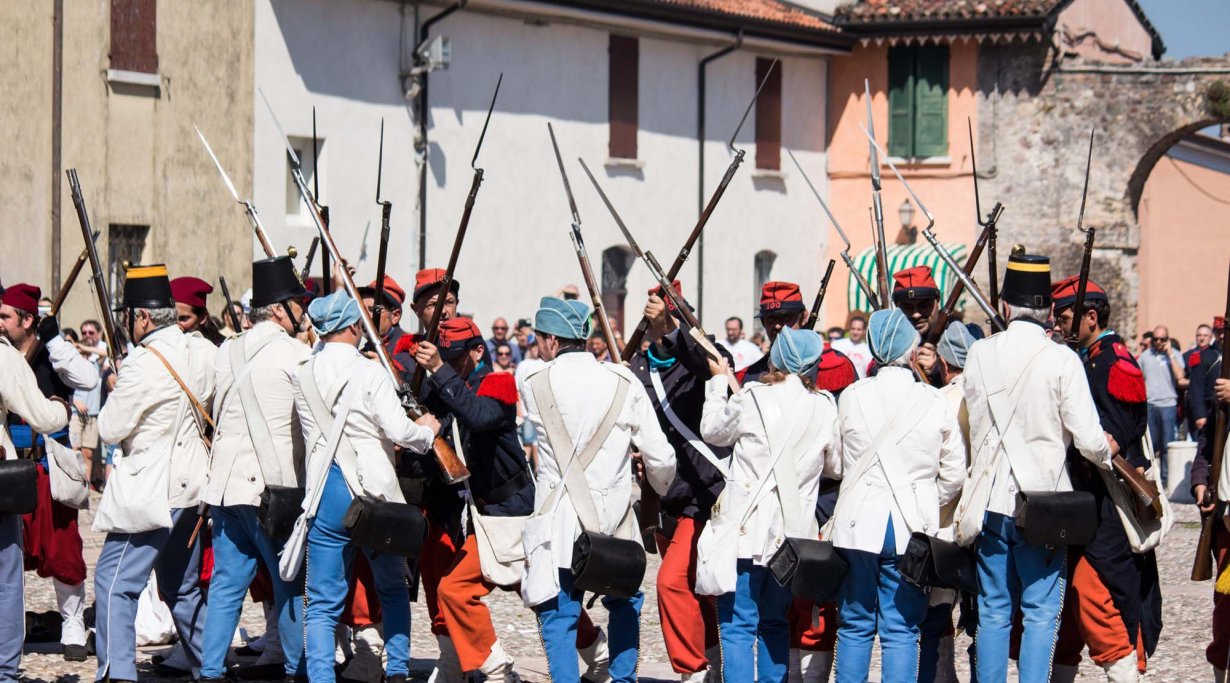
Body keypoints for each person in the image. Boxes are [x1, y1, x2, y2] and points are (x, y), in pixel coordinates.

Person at [956, 253, 1113, 683]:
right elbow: (1088, 438)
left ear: (1006, 306)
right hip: (1044, 502)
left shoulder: (980, 354)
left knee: (993, 611)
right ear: (1047, 309)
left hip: (990, 500)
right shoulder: (1062, 359)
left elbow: (968, 422)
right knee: (1042, 612)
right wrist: (1108, 455)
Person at [519, 295, 676, 683]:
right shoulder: (624, 381)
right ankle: (623, 679)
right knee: (624, 604)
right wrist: (659, 489)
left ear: (552, 341)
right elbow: (661, 457)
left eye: (541, 339)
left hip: (560, 519)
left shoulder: (532, 383)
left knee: (559, 614)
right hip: (616, 515)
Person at [293, 290, 441, 683]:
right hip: (373, 492)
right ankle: (397, 670)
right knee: (392, 586)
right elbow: (398, 431)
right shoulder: (370, 371)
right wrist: (426, 433)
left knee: (322, 602)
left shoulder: (302, 371)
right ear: (355, 326)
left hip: (326, 487)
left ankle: (321, 677)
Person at [94, 264, 217, 683]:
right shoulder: (201, 351)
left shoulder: (141, 362)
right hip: (192, 487)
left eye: (131, 315)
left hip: (152, 489)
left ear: (143, 317)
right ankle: (210, 667)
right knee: (180, 589)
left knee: (114, 581)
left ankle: (117, 674)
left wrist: (114, 384)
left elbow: (110, 428)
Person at [828, 309, 964, 683]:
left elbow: (837, 464)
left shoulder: (852, 396)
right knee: (901, 629)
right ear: (909, 352)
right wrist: (924, 502)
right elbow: (953, 473)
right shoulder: (933, 400)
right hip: (910, 527)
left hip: (858, 523)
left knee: (854, 626)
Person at [699, 325, 839, 683]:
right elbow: (835, 466)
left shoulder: (752, 396)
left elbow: (713, 431)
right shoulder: (824, 406)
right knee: (776, 622)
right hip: (792, 535)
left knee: (737, 624)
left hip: (746, 529)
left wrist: (717, 383)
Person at [198, 256, 310, 682]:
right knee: (288, 584)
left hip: (225, 485)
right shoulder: (297, 354)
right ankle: (298, 670)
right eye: (297, 303)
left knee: (227, 586)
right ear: (280, 309)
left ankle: (210, 671)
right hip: (272, 489)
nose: (302, 311)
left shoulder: (227, 349)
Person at [1050, 276, 1159, 682]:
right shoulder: (1088, 356)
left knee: (1102, 597)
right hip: (1084, 502)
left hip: (1107, 503)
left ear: (1090, 317)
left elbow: (1115, 437)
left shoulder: (1114, 362)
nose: (1060, 325)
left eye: (1065, 318)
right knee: (1070, 611)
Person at [413, 317, 534, 681]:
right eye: (443, 357)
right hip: (481, 512)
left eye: (455, 357)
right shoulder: (452, 387)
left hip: (510, 511)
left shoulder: (499, 382)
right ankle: (495, 667)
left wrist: (437, 370)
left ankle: (499, 669)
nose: (448, 363)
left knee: (462, 589)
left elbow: (480, 416)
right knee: (534, 593)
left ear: (478, 351)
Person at [629, 283, 732, 681]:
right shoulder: (639, 369)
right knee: (695, 587)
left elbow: (705, 358)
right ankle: (713, 664)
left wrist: (672, 327)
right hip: (661, 492)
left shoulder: (697, 357)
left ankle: (693, 670)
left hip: (701, 490)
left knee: (671, 583)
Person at [0, 283, 99, 662]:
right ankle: (13, 631)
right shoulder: (5, 354)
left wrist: (55, 340)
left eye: (6, 316)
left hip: (47, 467)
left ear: (27, 320)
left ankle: (72, 623)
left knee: (63, 550)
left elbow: (89, 380)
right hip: (9, 466)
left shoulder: (54, 356)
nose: (1, 322)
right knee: (11, 555)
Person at [0, 312, 72, 682]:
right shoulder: (3, 356)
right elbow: (42, 416)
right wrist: (62, 407)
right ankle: (4, 672)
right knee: (6, 581)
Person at [918, 321, 976, 683]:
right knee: (984, 614)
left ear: (945, 361)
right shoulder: (990, 397)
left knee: (937, 612)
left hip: (946, 521)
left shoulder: (939, 400)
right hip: (985, 516)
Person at [1190, 371, 1230, 681]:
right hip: (1225, 518)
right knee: (1225, 607)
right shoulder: (1223, 381)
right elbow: (1208, 443)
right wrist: (1201, 482)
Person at [1138, 325, 1185, 484]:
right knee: (1151, 445)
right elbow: (1138, 379)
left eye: (1162, 339)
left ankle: (1165, 478)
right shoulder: (1145, 356)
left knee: (1167, 444)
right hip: (1150, 404)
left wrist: (1170, 353)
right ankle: (1151, 477)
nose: (1158, 342)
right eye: (1155, 339)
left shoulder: (1176, 355)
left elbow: (1180, 376)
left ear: (1167, 339)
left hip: (1168, 404)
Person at [740, 282, 807, 385]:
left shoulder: (831, 369)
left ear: (803, 318)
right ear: (763, 322)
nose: (777, 326)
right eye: (771, 319)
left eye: (786, 318)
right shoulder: (750, 376)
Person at [358, 275, 416, 383]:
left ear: (395, 316)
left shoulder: (408, 349)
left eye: (373, 310)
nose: (364, 316)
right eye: (362, 310)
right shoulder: (364, 350)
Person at [891, 266, 943, 386]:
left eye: (924, 305)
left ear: (938, 300)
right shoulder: (889, 345)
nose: (916, 314)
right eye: (907, 307)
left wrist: (938, 370)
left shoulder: (955, 336)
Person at [1185, 324, 1221, 440]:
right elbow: (1196, 387)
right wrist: (1199, 414)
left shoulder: (1217, 353)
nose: (1202, 338)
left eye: (1205, 335)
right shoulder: (1196, 356)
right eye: (1199, 335)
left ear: (1211, 337)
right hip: (1204, 409)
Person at [171, 276, 226, 346]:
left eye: (183, 319)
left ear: (202, 318)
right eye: (171, 319)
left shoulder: (222, 347)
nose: (176, 326)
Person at [831, 314, 871, 379]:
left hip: (860, 386)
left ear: (864, 331)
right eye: (853, 329)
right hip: (841, 385)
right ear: (849, 329)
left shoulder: (868, 350)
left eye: (859, 329)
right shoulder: (836, 345)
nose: (855, 332)